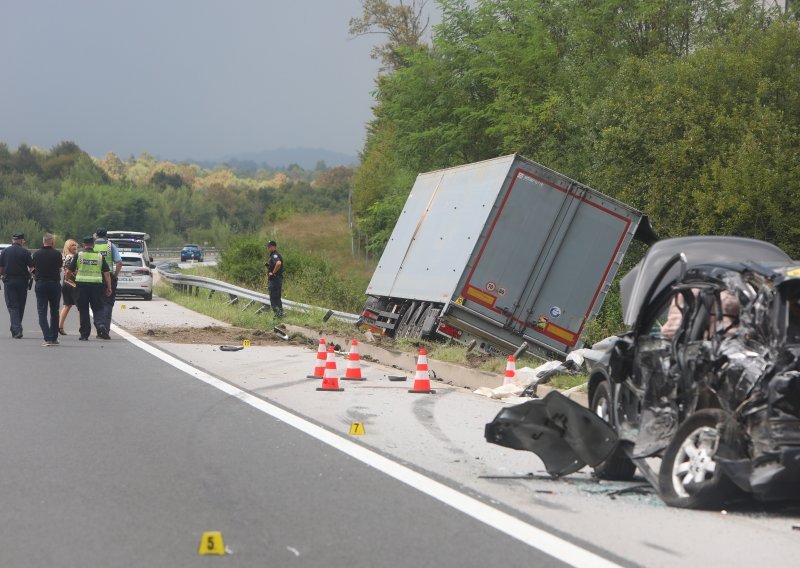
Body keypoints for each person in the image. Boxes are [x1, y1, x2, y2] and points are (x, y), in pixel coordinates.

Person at [65, 236, 112, 341]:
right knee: (98, 308)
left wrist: (67, 280)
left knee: (83, 309)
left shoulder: (79, 255)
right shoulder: (99, 256)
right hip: (97, 286)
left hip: (82, 286)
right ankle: (100, 325)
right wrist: (109, 287)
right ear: (93, 245)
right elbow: (107, 273)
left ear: (83, 245)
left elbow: (68, 271)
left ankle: (84, 334)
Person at [32, 233, 63, 346]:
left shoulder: (36, 254)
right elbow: (60, 267)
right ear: (52, 241)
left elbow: (32, 268)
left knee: (42, 311)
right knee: (54, 311)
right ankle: (54, 337)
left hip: (41, 284)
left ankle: (47, 337)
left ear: (43, 241)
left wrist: (36, 277)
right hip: (54, 284)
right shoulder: (57, 253)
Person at [0, 232, 33, 338]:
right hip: (22, 282)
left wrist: (2, 275)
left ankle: (16, 329)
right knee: (20, 305)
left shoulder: (5, 252)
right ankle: (16, 328)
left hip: (9, 281)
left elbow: (1, 268)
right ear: (21, 241)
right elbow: (32, 268)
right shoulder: (25, 252)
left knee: (12, 306)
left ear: (13, 240)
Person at [93, 227, 122, 337]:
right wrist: (115, 276)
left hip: (95, 277)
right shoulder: (111, 246)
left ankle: (99, 328)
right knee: (108, 303)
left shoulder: (92, 246)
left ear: (96, 236)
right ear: (106, 236)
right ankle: (106, 328)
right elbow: (119, 263)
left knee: (96, 304)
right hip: (108, 276)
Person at [58, 239, 79, 335]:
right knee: (80, 307)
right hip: (73, 282)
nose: (75, 247)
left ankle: (60, 326)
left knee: (67, 305)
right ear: (68, 247)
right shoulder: (72, 257)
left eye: (75, 245)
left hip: (66, 282)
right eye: (72, 245)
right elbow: (71, 270)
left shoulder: (64, 257)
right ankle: (82, 327)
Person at [265, 240, 283, 318]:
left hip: (275, 280)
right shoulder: (273, 255)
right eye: (268, 246)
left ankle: (278, 316)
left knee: (274, 298)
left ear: (274, 247)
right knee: (277, 298)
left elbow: (278, 263)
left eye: (270, 246)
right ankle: (280, 315)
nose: (268, 248)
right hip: (276, 280)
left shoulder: (275, 255)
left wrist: (273, 272)